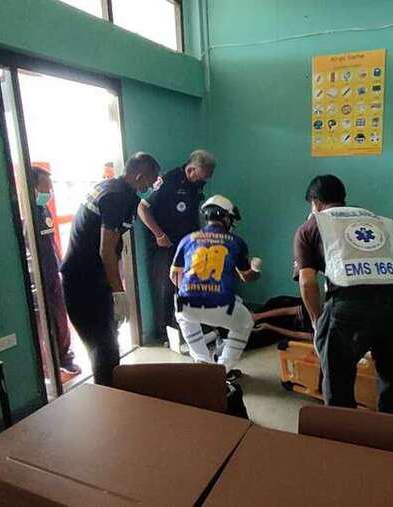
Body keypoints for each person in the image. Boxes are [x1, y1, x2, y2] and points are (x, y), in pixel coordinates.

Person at [292, 175, 393, 415]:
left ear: (315, 202)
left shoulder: (312, 226)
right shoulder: (377, 221)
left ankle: (344, 435)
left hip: (349, 307)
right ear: (343, 198)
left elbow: (307, 283)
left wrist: (318, 322)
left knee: (338, 387)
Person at [61, 153, 160, 385]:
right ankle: (108, 396)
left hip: (93, 278)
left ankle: (111, 392)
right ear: (139, 177)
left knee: (108, 344)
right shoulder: (116, 197)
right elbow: (106, 250)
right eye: (152, 180)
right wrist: (118, 293)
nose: (152, 186)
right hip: (83, 283)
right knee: (103, 349)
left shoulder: (117, 189)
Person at [170, 195, 261, 377]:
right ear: (226, 218)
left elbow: (174, 275)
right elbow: (247, 277)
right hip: (221, 305)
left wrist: (194, 291)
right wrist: (256, 270)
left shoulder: (187, 239)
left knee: (183, 314)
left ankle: (202, 360)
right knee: (245, 322)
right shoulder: (235, 241)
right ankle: (223, 369)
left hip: (187, 304)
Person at [138, 150, 217, 344]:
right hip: (165, 244)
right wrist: (159, 235)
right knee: (165, 288)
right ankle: (165, 333)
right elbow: (142, 208)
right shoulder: (167, 180)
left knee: (188, 285)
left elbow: (193, 213)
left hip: (187, 243)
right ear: (191, 169)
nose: (204, 180)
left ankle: (187, 329)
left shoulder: (196, 184)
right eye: (203, 175)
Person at [31, 167, 80, 375]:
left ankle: (64, 357)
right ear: (33, 187)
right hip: (39, 274)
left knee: (60, 315)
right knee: (45, 320)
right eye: (45, 186)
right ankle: (48, 363)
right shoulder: (27, 214)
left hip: (53, 272)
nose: (49, 191)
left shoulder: (44, 210)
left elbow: (51, 242)